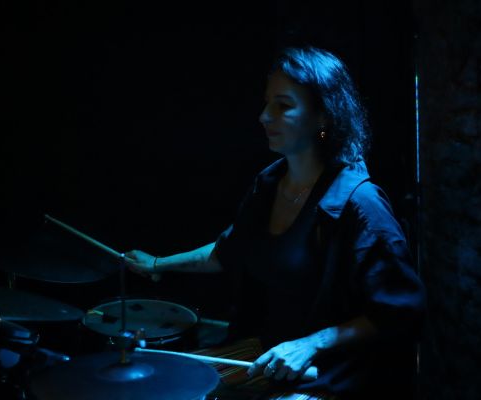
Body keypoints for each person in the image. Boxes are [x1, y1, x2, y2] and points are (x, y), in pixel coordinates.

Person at [125, 46, 426, 399]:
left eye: (283, 106)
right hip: (266, 354)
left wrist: (312, 344)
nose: (264, 116)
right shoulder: (268, 184)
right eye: (267, 103)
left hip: (330, 373)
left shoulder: (361, 204)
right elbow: (228, 251)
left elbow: (402, 309)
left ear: (324, 116)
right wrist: (157, 264)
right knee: (162, 384)